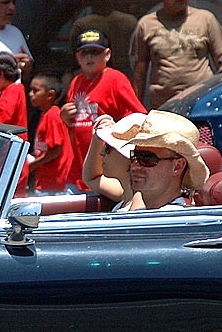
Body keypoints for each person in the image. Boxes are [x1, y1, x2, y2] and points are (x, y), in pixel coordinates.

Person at [129, 0, 222, 109]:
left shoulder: (206, 19)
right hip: (164, 107)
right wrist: (136, 110)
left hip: (200, 104)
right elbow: (139, 72)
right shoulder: (146, 24)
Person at [60, 29, 147, 191]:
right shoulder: (75, 82)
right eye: (84, 53)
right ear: (77, 57)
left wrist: (116, 126)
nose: (89, 57)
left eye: (95, 52)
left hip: (106, 171)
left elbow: (140, 117)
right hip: (77, 168)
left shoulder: (115, 79)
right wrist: (64, 117)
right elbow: (73, 123)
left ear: (107, 55)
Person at [119, 110, 210, 210]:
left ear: (177, 167)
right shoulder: (131, 211)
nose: (134, 166)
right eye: (134, 156)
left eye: (147, 158)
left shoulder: (176, 218)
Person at [0, 52, 29, 196]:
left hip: (12, 150)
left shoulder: (14, 89)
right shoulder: (9, 91)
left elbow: (5, 113)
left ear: (1, 74)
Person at [69, 0, 137, 78]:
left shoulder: (82, 24)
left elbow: (72, 58)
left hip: (97, 76)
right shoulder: (130, 21)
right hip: (125, 75)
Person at [82, 113, 146, 210]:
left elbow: (92, 178)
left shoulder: (143, 199)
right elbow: (92, 178)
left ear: (132, 158)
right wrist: (97, 139)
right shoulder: (127, 192)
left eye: (108, 147)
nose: (101, 152)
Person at [27, 72, 73, 194]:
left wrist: (32, 166)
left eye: (35, 91)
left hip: (53, 183)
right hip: (45, 179)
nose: (30, 94)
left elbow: (55, 151)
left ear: (50, 95)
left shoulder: (53, 115)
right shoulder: (44, 115)